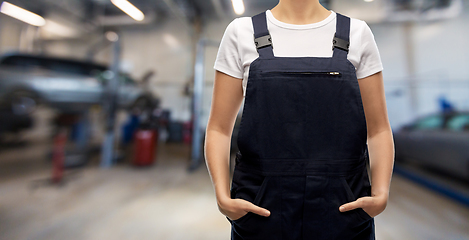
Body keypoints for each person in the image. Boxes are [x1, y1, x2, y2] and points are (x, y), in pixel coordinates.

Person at [205, 0, 395, 239]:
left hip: (343, 209)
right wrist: (223, 198)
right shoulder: (240, 32)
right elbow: (219, 128)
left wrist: (381, 194)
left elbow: (378, 129)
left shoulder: (357, 33)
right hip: (262, 210)